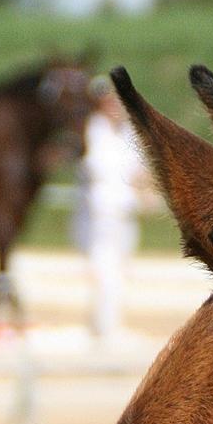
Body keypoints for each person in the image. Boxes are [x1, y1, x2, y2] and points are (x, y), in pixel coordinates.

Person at [72, 76, 150, 341]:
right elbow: (96, 170)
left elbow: (139, 172)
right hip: (98, 214)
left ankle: (106, 325)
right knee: (106, 272)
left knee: (121, 271)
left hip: (124, 213)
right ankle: (105, 329)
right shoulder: (91, 131)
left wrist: (145, 191)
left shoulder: (129, 133)